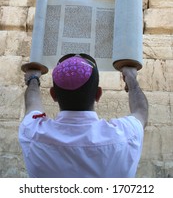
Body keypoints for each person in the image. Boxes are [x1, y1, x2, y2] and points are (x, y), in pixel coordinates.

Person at [19, 53, 148, 178]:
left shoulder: (33, 132)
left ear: (53, 95)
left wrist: (33, 79)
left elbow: (32, 105)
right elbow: (141, 111)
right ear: (98, 94)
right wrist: (131, 78)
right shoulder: (126, 134)